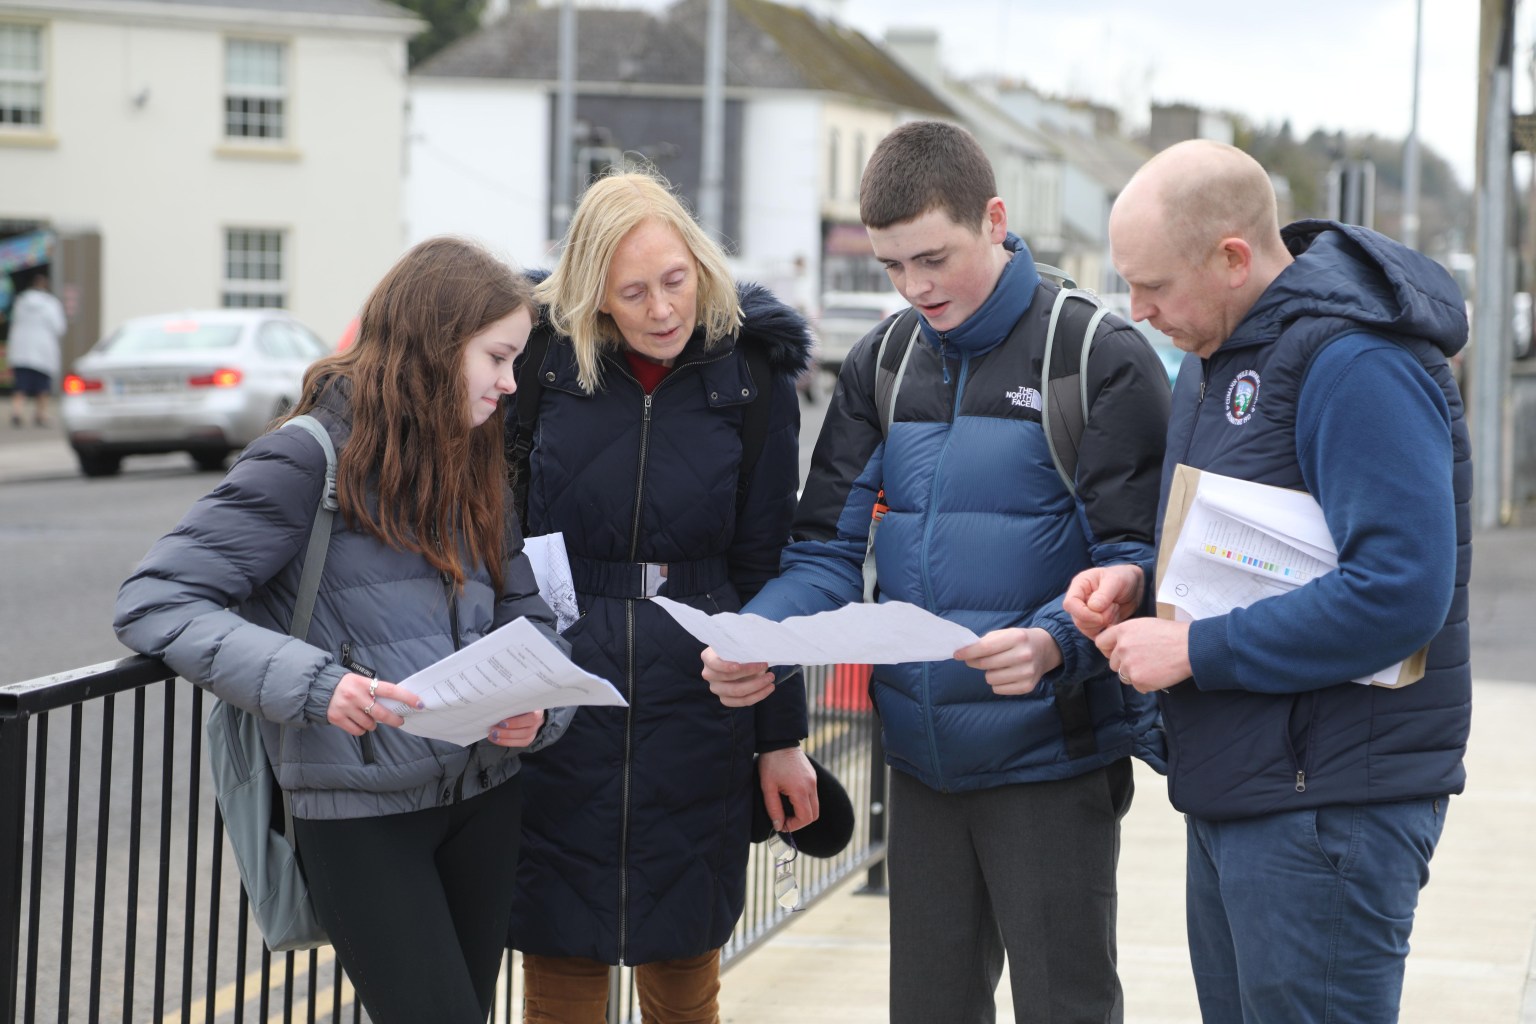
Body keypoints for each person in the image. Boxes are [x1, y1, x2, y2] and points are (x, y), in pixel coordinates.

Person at [702, 121, 1172, 1023]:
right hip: (918, 766)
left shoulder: (1097, 357)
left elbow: (1143, 561)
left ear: (994, 219)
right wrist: (759, 638)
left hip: (1051, 759)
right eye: (891, 268)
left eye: (932, 258)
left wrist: (1055, 641)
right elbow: (825, 551)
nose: (914, 289)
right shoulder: (883, 360)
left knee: (1064, 1009)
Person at [113, 236, 573, 1024]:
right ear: (436, 344)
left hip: (484, 795)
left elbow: (522, 608)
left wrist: (542, 706)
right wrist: (318, 687)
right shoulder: (305, 458)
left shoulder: (472, 457)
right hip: (361, 819)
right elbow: (156, 600)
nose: (507, 384)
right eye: (497, 358)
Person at [1065, 139, 1471, 1022]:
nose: (1137, 311)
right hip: (1250, 783)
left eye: (1154, 286)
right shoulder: (1224, 357)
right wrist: (1142, 582)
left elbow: (1402, 591)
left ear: (1233, 258)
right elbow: (1236, 546)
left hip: (1325, 804)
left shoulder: (1355, 364)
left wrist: (1193, 648)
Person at [505, 171, 819, 1024]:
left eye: (674, 281)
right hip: (564, 685)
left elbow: (768, 565)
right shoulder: (540, 361)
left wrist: (781, 737)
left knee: (684, 969)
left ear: (699, 260)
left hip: (702, 689)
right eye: (632, 292)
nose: (661, 310)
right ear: (595, 296)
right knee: (559, 961)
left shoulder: (752, 372)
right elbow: (497, 533)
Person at [7, 272, 66, 428]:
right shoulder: (51, 303)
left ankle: (17, 412)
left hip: (21, 349)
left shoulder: (21, 301)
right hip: (43, 350)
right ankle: (40, 414)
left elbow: (14, 322)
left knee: (21, 385)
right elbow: (59, 327)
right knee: (42, 386)